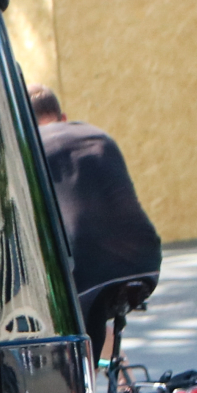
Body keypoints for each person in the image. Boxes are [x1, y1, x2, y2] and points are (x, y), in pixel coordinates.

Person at [29, 84, 162, 359]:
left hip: (86, 266)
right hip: (145, 260)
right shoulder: (97, 135)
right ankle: (125, 386)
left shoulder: (30, 147)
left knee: (67, 330)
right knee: (95, 316)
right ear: (62, 117)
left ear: (25, 122)